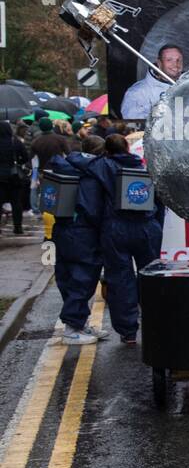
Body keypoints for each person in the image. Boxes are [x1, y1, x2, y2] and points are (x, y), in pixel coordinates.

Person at [86, 135, 164, 344]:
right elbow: (160, 200)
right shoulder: (145, 166)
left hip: (115, 228)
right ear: (127, 147)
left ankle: (128, 331)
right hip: (147, 227)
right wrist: (157, 226)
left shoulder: (100, 167)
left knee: (120, 279)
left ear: (107, 150)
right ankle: (157, 323)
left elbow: (93, 205)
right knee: (151, 276)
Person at [46, 145, 109, 345]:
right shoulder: (89, 176)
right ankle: (73, 327)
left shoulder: (63, 169)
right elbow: (92, 210)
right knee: (84, 278)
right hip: (83, 233)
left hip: (62, 229)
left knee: (67, 276)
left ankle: (78, 324)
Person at [121, 46, 184, 119]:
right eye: (169, 60)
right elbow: (133, 121)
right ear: (159, 63)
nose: (176, 64)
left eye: (179, 60)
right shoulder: (138, 92)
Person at [0, 122, 32, 235]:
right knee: (16, 202)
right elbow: (25, 157)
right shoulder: (16, 142)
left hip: (0, 177)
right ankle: (18, 227)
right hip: (14, 176)